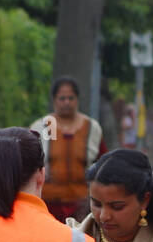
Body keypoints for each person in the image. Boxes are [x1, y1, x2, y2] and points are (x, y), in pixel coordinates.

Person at [30, 76, 106, 222]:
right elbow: (30, 163)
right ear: (54, 100)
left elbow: (103, 163)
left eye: (71, 98)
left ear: (77, 99)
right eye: (62, 98)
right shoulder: (45, 125)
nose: (66, 102)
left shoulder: (90, 128)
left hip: (83, 205)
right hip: (48, 204)